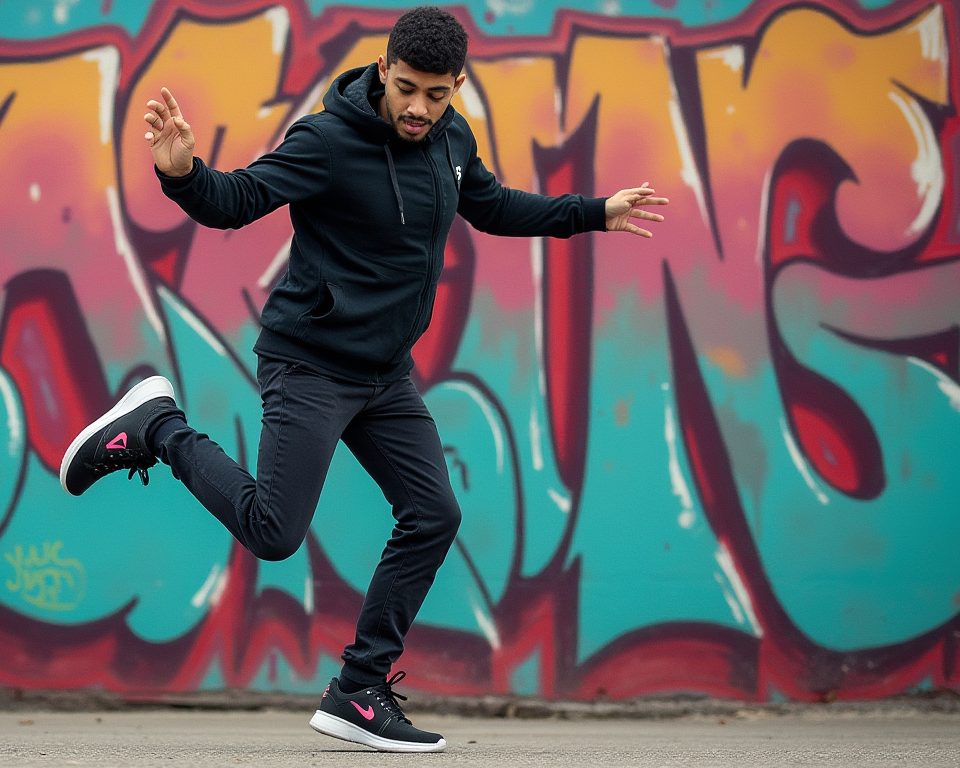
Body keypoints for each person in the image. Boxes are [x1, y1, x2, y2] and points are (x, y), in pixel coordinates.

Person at [60, 5, 667, 753]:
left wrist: (594, 212)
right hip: (309, 363)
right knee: (274, 532)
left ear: (457, 87)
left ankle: (358, 689)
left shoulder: (452, 140)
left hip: (384, 375)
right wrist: (182, 172)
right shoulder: (327, 141)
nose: (418, 108)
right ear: (383, 70)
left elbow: (490, 205)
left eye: (436, 94)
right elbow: (237, 201)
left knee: (433, 513)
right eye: (406, 88)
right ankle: (159, 427)